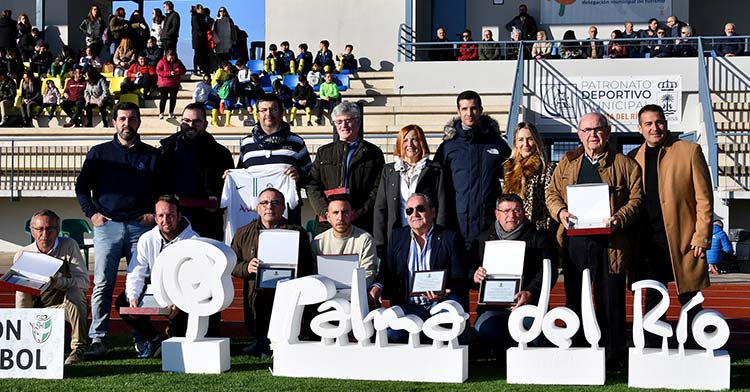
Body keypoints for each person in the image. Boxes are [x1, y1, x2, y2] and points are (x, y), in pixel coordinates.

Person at [546, 112, 642, 369]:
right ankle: (577, 347)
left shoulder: (625, 164)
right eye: (587, 130)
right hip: (576, 242)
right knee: (575, 297)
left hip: (611, 243)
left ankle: (614, 355)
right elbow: (552, 194)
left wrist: (619, 218)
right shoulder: (566, 162)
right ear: (579, 134)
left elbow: (636, 200)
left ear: (608, 132)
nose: (593, 135)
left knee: (610, 299)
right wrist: (561, 212)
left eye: (598, 129)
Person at [75, 101, 162, 357]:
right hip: (108, 227)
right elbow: (82, 189)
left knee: (140, 284)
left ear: (138, 122)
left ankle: (142, 336)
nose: (127, 123)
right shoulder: (99, 153)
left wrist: (153, 215)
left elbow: (162, 190)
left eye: (132, 119)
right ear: (114, 122)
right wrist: (92, 214)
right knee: (103, 283)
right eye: (122, 119)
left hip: (140, 228)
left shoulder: (152, 155)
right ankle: (98, 339)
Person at [628, 104, 713, 347]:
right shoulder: (633, 157)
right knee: (654, 298)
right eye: (648, 124)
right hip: (648, 242)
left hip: (683, 240)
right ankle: (654, 347)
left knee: (690, 297)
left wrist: (702, 236)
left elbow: (704, 199)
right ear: (640, 129)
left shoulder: (689, 151)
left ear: (666, 123)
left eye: (659, 122)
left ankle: (701, 343)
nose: (654, 128)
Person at [368, 193, 467, 343]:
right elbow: (386, 272)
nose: (415, 214)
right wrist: (377, 287)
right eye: (409, 211)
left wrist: (443, 291)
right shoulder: (397, 237)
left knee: (445, 321)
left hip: (440, 303)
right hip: (410, 305)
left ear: (432, 212)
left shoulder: (449, 237)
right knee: (393, 335)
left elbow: (459, 277)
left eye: (420, 209)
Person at [469, 194, 557, 360]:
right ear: (497, 214)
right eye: (506, 211)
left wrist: (530, 292)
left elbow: (547, 273)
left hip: (528, 305)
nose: (512, 216)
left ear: (523, 212)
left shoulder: (539, 239)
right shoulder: (482, 240)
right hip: (493, 307)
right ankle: (503, 355)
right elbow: (469, 271)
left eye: (517, 210)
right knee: (485, 329)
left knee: (535, 335)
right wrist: (474, 276)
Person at [230, 187, 313, 359]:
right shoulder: (243, 234)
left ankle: (275, 345)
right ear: (258, 208)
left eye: (275, 203)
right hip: (256, 293)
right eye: (264, 203)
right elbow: (231, 264)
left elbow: (307, 266)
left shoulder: (297, 232)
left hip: (286, 291)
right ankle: (259, 341)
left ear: (283, 207)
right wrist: (247, 267)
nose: (269, 206)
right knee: (260, 331)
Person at [114, 195, 200, 358]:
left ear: (179, 216)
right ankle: (154, 339)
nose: (165, 220)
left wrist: (180, 302)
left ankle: (175, 333)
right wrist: (133, 298)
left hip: (184, 295)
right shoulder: (147, 239)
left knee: (178, 341)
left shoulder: (193, 240)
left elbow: (195, 279)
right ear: (155, 217)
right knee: (123, 301)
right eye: (161, 216)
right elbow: (136, 271)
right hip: (156, 291)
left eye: (170, 215)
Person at [434, 90, 511, 249]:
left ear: (481, 110)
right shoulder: (448, 147)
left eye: (473, 108)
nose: (469, 113)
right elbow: (438, 186)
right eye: (464, 109)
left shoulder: (497, 144)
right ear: (458, 112)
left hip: (490, 225)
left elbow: (513, 176)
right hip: (458, 226)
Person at [15, 209, 89, 365]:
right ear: (32, 231)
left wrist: (60, 282)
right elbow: (22, 294)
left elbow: (84, 282)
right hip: (38, 310)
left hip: (66, 307)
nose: (44, 234)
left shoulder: (69, 245)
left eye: (50, 229)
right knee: (21, 290)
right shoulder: (23, 254)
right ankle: (24, 340)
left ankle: (78, 349)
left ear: (58, 230)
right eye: (39, 229)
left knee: (76, 294)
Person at [374, 124, 451, 263]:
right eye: (405, 140)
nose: (410, 144)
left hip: (427, 235)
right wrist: (380, 242)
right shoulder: (389, 171)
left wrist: (441, 236)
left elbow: (443, 205)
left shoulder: (435, 169)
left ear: (421, 142)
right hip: (397, 235)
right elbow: (381, 208)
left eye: (414, 139)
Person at [306, 101, 385, 234]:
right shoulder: (323, 152)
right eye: (339, 122)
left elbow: (378, 189)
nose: (344, 125)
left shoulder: (373, 153)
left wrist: (359, 212)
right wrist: (326, 212)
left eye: (348, 120)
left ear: (358, 122)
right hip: (328, 224)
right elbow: (312, 184)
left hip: (361, 223)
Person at [160, 103, 233, 240]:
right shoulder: (166, 151)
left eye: (196, 121)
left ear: (205, 124)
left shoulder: (221, 154)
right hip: (174, 224)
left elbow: (226, 191)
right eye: (186, 121)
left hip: (208, 224)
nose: (190, 125)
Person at [236, 93, 312, 224]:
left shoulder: (297, 142)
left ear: (281, 112)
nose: (268, 114)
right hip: (252, 217)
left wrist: (299, 177)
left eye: (273, 109)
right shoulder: (246, 144)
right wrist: (231, 177)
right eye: (263, 110)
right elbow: (241, 180)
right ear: (258, 114)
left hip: (288, 218)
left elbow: (311, 178)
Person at [312, 196, 378, 287]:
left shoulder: (365, 240)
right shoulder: (318, 242)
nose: (340, 218)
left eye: (345, 212)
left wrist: (354, 290)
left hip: (356, 293)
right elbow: (314, 275)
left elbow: (368, 273)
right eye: (335, 213)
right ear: (328, 216)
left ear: (352, 214)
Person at [502, 122, 556, 231]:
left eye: (530, 139)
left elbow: (551, 203)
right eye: (521, 140)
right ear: (516, 143)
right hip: (513, 229)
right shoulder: (508, 169)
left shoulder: (547, 169)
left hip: (538, 231)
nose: (525, 144)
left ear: (536, 142)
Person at [156, 48, 186, 120]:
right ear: (166, 55)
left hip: (174, 84)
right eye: (170, 56)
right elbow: (158, 71)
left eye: (173, 56)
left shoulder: (178, 62)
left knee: (173, 98)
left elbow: (184, 70)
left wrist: (179, 71)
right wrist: (169, 73)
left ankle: (171, 112)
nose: (172, 58)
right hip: (163, 84)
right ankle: (161, 112)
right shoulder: (162, 62)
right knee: (163, 98)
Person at [190, 4, 208, 76]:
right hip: (197, 38)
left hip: (200, 38)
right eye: (201, 9)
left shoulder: (200, 17)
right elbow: (198, 27)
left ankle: (201, 68)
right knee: (197, 54)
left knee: (201, 54)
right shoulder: (195, 17)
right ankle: (195, 69)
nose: (202, 10)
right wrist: (204, 29)